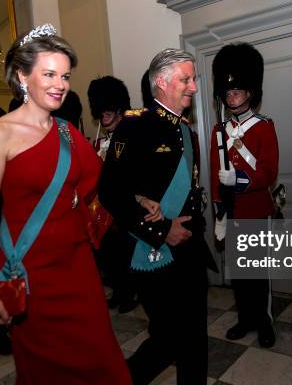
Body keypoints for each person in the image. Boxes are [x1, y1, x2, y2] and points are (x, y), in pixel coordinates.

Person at [0, 24, 130, 384]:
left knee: (105, 366)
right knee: (46, 373)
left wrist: (141, 201)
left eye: (65, 75)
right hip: (31, 278)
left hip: (79, 271)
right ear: (22, 76)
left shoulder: (67, 132)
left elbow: (100, 186)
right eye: (49, 74)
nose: (60, 83)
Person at [99, 48, 216, 384]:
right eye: (186, 79)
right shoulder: (134, 127)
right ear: (162, 83)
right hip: (154, 250)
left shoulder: (186, 131)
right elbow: (111, 192)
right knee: (167, 340)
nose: (194, 87)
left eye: (193, 79)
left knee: (194, 339)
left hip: (189, 250)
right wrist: (162, 230)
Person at [210, 42, 278, 347]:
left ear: (249, 92)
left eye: (237, 91)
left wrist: (239, 178)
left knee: (258, 274)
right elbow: (214, 174)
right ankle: (245, 319)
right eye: (227, 92)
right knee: (239, 274)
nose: (231, 96)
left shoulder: (264, 127)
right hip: (232, 210)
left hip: (255, 208)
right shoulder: (218, 131)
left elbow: (268, 172)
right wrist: (218, 210)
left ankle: (264, 322)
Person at [88, 75, 138, 313]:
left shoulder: (132, 136)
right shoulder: (99, 142)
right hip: (105, 208)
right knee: (111, 255)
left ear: (119, 111)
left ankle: (130, 292)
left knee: (128, 253)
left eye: (107, 114)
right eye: (101, 114)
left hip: (128, 205)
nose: (103, 119)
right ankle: (119, 291)